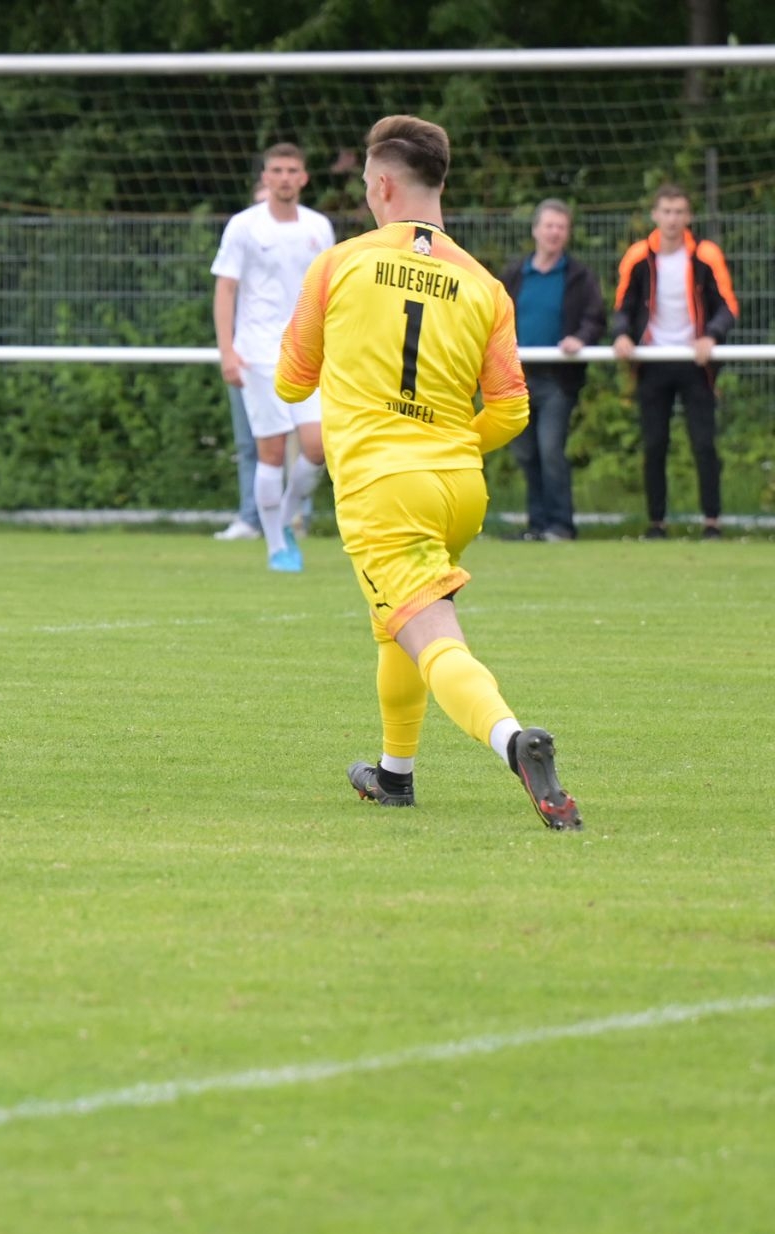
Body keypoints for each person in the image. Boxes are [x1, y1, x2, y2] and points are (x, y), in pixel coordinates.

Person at [277, 115, 580, 830]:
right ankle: (394, 775)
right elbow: (511, 409)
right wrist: (447, 442)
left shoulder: (339, 263)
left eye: (365, 184)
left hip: (385, 487)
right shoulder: (485, 285)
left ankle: (514, 740)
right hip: (459, 489)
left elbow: (291, 381)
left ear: (383, 184)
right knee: (395, 624)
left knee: (433, 635)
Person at [213, 143, 334, 572]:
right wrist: (227, 350)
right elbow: (226, 288)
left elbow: (328, 292)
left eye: (292, 170)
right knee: (271, 452)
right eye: (277, 170)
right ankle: (276, 547)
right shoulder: (244, 226)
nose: (284, 178)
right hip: (259, 354)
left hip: (307, 352)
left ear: (303, 178)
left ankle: (282, 519)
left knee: (317, 447)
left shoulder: (319, 227)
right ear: (265, 177)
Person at [610, 183, 738, 540]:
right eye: (666, 211)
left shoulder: (706, 254)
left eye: (679, 211)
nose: (672, 219)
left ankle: (712, 521)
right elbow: (622, 306)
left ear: (689, 216)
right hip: (653, 360)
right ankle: (657, 523)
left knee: (704, 443)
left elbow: (727, 306)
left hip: (696, 362)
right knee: (654, 444)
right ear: (655, 215)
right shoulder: (638, 255)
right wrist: (621, 335)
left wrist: (710, 335)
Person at [498, 200, 606, 541]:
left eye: (561, 227)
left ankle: (561, 525)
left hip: (557, 379)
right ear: (536, 230)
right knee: (525, 452)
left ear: (567, 233)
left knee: (550, 450)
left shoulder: (578, 276)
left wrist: (580, 338)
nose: (554, 232)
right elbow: (493, 315)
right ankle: (537, 524)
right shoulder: (515, 275)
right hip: (516, 378)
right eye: (549, 225)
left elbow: (595, 317)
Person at [215, 177, 272, 542]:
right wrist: (229, 351)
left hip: (294, 357)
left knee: (309, 446)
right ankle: (252, 519)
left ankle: (295, 517)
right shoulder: (242, 234)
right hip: (250, 358)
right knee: (251, 443)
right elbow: (225, 287)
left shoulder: (311, 233)